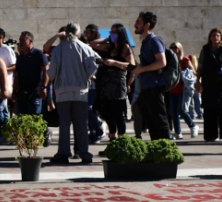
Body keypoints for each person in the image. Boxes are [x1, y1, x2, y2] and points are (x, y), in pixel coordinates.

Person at [45, 23, 100, 164]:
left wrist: (50, 76)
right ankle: (84, 153)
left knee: (64, 124)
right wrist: (84, 76)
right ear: (78, 33)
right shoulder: (85, 47)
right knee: (81, 124)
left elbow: (51, 73)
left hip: (62, 92)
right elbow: (94, 66)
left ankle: (64, 153)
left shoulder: (58, 50)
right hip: (81, 91)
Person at [129, 11, 171, 140]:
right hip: (146, 87)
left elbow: (162, 62)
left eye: (138, 22)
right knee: (152, 122)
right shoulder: (146, 42)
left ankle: (165, 151)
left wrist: (141, 69)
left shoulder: (154, 40)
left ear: (147, 25)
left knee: (159, 120)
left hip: (155, 87)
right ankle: (155, 151)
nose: (135, 24)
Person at [93, 24, 135, 141]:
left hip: (118, 84)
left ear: (120, 34)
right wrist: (107, 38)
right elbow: (93, 44)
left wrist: (114, 63)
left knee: (118, 113)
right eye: (111, 32)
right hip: (106, 84)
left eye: (115, 33)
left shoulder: (125, 48)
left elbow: (132, 66)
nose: (112, 34)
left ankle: (121, 141)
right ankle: (112, 138)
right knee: (106, 112)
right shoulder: (109, 47)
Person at [196, 28, 222, 141]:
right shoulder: (205, 49)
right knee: (209, 109)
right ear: (210, 37)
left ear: (221, 37)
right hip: (208, 83)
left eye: (217, 35)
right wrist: (198, 80)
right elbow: (200, 66)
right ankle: (210, 135)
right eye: (213, 35)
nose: (215, 37)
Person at [11, 31, 48, 119]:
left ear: (30, 41)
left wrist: (44, 87)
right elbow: (16, 76)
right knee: (23, 119)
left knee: (34, 118)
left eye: (23, 40)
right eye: (20, 40)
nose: (21, 42)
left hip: (35, 93)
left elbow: (46, 72)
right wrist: (14, 92)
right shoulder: (20, 57)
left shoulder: (38, 54)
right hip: (22, 94)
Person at [167, 42, 196, 140]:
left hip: (183, 89)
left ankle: (192, 125)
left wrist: (185, 71)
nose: (174, 49)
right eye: (172, 47)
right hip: (172, 89)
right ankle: (178, 132)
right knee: (173, 112)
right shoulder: (169, 60)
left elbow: (193, 71)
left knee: (181, 110)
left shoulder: (184, 59)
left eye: (175, 47)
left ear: (180, 49)